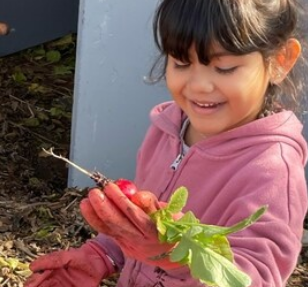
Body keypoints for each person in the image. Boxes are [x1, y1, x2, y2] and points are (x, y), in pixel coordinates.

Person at [24, 0, 308, 286]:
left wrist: (177, 256)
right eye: (181, 63)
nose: (199, 85)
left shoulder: (272, 171)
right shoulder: (169, 128)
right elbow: (144, 228)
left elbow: (255, 278)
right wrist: (102, 255)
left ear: (281, 61)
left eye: (224, 68)